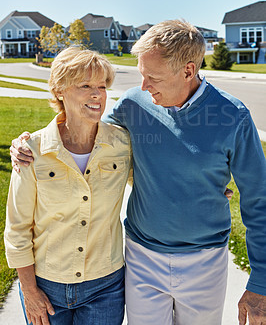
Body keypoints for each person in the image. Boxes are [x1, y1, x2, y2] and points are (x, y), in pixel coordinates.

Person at [10, 20, 266, 325]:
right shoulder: (134, 104)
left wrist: (261, 282)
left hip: (205, 260)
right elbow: (88, 127)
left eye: (152, 77)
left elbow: (259, 202)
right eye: (142, 74)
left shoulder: (232, 116)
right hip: (142, 256)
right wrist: (28, 143)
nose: (143, 86)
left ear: (188, 70)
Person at [5, 46, 131, 325]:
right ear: (60, 90)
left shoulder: (122, 143)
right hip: (46, 286)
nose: (97, 94)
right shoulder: (32, 150)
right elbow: (17, 229)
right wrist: (29, 290)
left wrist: (205, 189)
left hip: (105, 286)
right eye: (85, 85)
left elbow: (158, 180)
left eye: (101, 85)